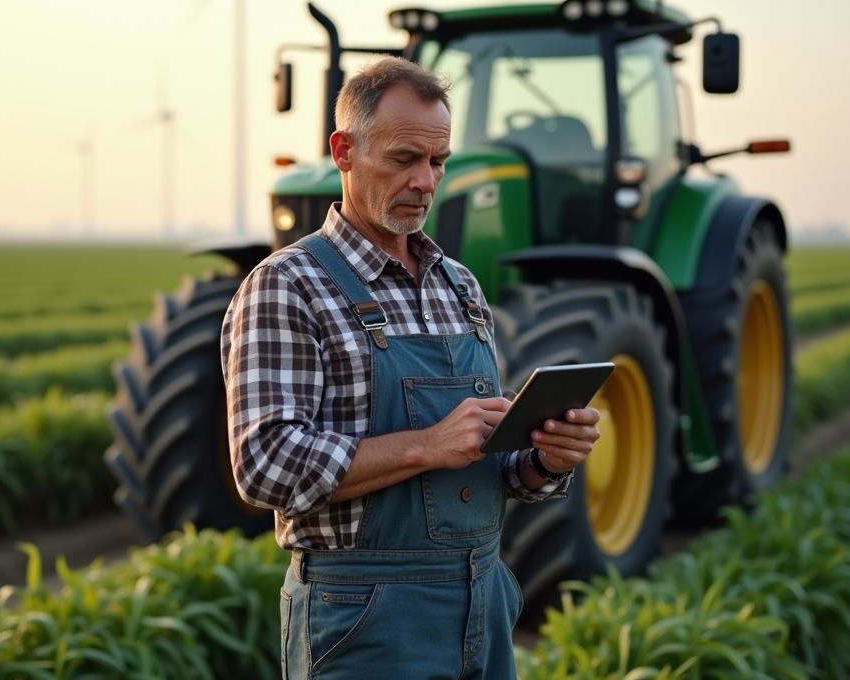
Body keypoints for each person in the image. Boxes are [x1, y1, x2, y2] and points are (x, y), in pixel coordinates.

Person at [220, 57, 602, 680]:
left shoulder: (461, 286)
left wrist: (543, 459)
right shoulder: (288, 286)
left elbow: (478, 460)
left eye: (439, 162)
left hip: (484, 600)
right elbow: (264, 465)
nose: (426, 181)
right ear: (344, 151)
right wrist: (425, 446)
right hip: (365, 616)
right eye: (404, 160)